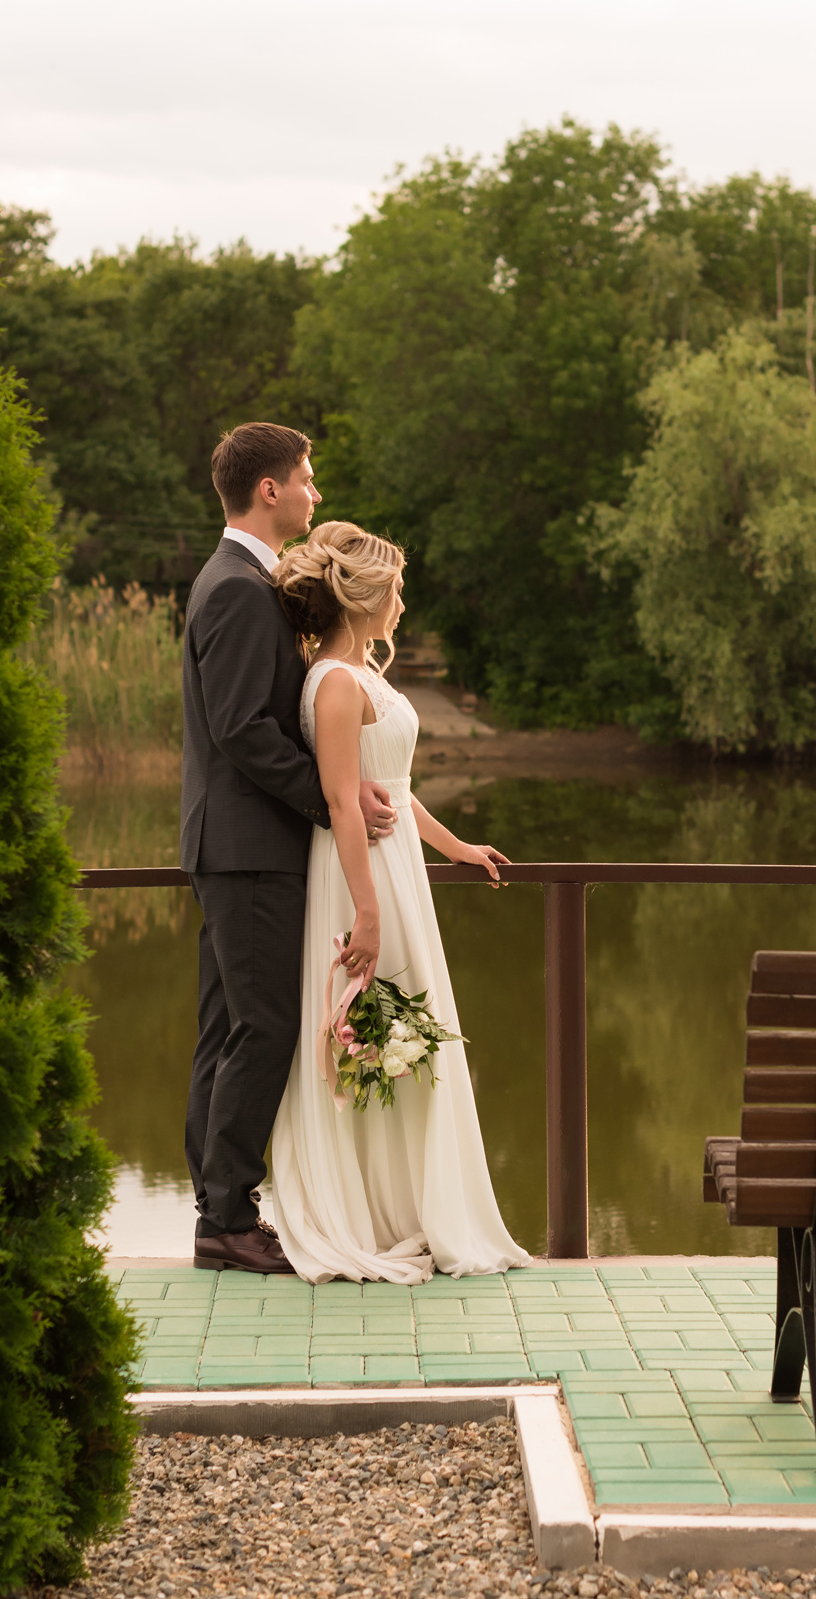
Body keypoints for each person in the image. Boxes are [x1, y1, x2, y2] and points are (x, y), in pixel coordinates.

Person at [264, 521, 530, 1283]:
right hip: (362, 877)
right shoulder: (337, 682)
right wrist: (368, 912)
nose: (404, 602)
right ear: (367, 596)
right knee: (378, 1035)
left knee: (407, 1041)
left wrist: (456, 848)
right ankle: (370, 1213)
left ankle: (408, 1206)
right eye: (399, 589)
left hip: (399, 871)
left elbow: (395, 791)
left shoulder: (357, 675)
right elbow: (344, 804)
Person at [178, 423, 398, 1274]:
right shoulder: (234, 587)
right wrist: (329, 798)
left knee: (227, 1027)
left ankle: (217, 1207)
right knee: (263, 1028)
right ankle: (228, 1216)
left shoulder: (239, 579)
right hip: (248, 847)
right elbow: (239, 729)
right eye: (306, 480)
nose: (314, 493)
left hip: (234, 843)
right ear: (268, 490)